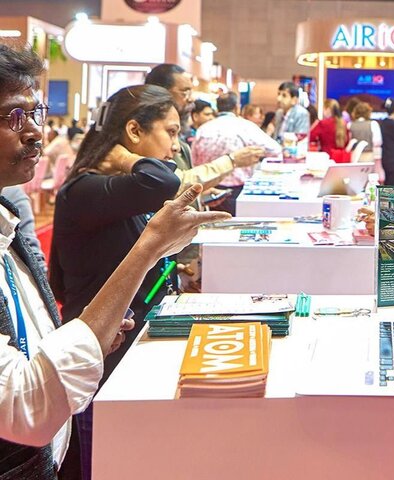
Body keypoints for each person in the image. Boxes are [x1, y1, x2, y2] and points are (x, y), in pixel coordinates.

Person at [0, 40, 226, 479]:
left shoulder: (10, 219)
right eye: (14, 116)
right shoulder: (88, 188)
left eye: (36, 114)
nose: (35, 132)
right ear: (134, 131)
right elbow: (27, 405)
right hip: (75, 392)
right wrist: (149, 248)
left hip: (78, 388)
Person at [49, 84, 231, 479]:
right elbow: (163, 180)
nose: (176, 146)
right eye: (171, 132)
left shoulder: (113, 190)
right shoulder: (86, 189)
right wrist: (125, 156)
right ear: (134, 131)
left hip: (127, 346)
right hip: (101, 360)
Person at [145, 63, 263, 194]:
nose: (191, 99)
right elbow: (175, 182)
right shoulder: (150, 134)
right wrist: (231, 160)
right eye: (185, 92)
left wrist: (199, 194)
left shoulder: (193, 131)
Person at [191, 92, 280, 215]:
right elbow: (275, 150)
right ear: (237, 108)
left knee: (210, 225)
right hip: (237, 192)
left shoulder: (203, 129)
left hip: (206, 191)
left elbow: (193, 161)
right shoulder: (245, 126)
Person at [349, 102, 384, 181]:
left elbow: (349, 142)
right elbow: (377, 141)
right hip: (369, 156)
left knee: (356, 179)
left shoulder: (350, 125)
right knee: (368, 179)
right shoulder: (373, 124)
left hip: (354, 156)